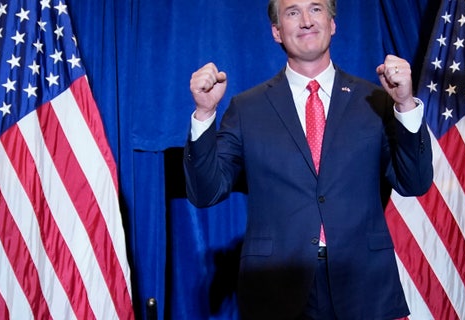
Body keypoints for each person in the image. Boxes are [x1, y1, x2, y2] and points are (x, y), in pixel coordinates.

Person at [184, 0, 433, 318]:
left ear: (332, 24)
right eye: (292, 12)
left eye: (316, 9)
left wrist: (405, 106)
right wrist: (205, 114)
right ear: (277, 32)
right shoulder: (247, 108)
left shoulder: (376, 102)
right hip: (276, 289)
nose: (305, 20)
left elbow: (415, 182)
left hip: (363, 285)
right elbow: (205, 192)